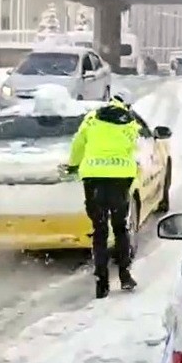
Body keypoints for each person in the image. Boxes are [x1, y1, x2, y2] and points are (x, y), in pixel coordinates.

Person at [63, 88, 142, 299]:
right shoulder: (130, 123)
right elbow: (133, 148)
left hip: (93, 177)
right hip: (119, 177)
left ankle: (102, 282)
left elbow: (78, 143)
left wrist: (73, 165)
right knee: (120, 227)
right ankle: (125, 275)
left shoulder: (92, 118)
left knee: (99, 229)